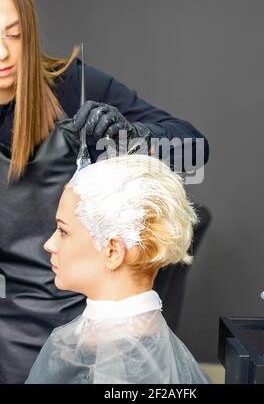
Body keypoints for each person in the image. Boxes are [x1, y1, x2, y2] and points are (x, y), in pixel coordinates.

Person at [0, 0, 209, 383]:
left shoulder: (70, 85)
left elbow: (194, 149)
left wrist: (131, 137)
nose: (4, 53)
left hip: (94, 337)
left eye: (15, 35)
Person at [26, 154, 210, 384]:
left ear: (112, 251)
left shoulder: (106, 360)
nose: (49, 244)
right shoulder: (160, 353)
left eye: (63, 231)